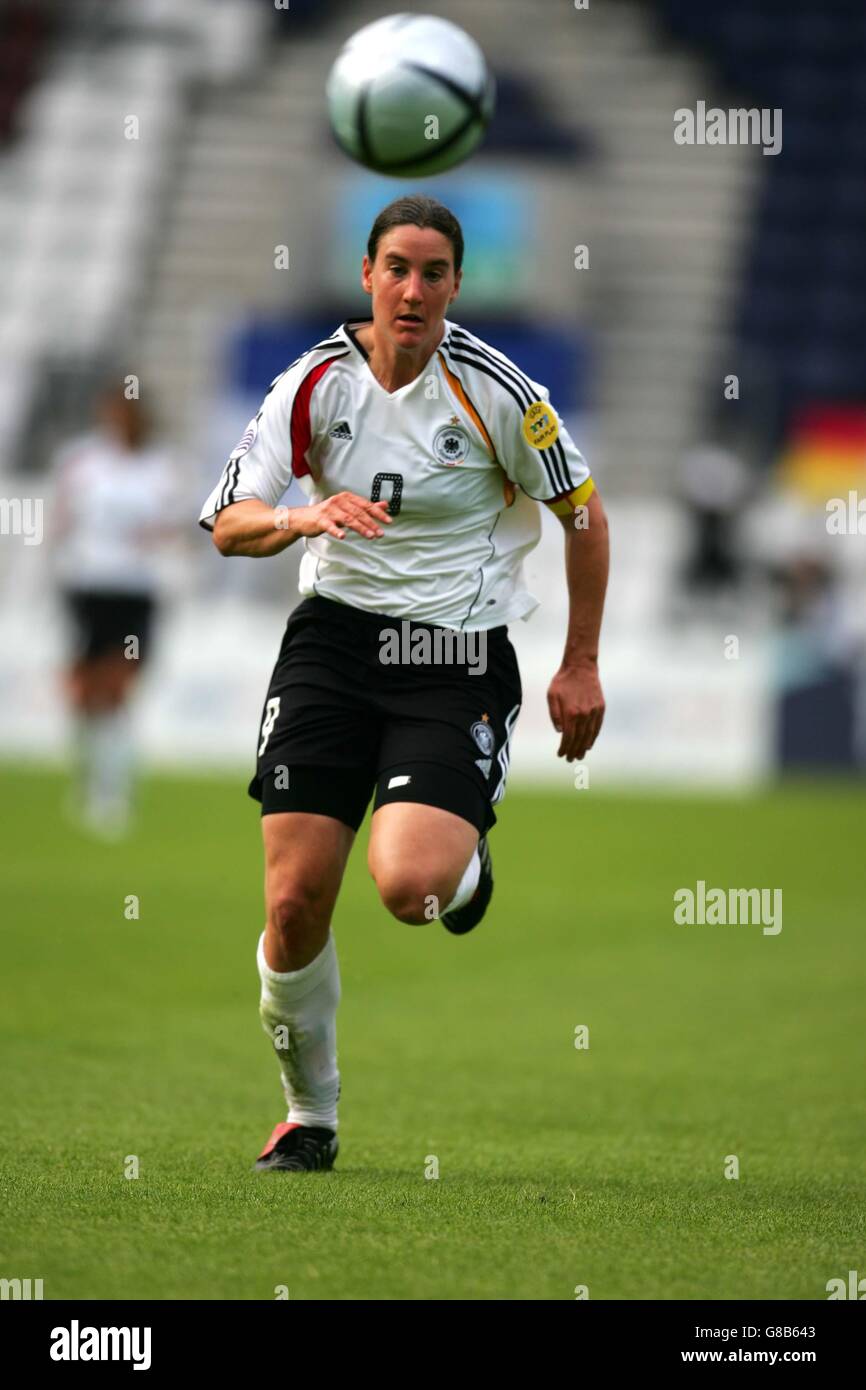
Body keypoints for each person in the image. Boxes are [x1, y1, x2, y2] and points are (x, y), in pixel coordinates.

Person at [199, 194, 609, 1173]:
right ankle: (310, 1116)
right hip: (331, 651)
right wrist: (302, 518)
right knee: (294, 899)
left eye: (433, 272)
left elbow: (585, 518)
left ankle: (464, 867)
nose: (413, 289)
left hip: (453, 656)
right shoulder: (308, 385)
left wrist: (581, 661)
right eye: (396, 267)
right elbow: (226, 522)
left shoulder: (499, 393)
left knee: (411, 888)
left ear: (456, 285)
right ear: (366, 275)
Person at [53, 387, 175, 837]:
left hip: (133, 591)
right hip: (89, 587)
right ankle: (90, 779)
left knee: (119, 687)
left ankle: (114, 791)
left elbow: (168, 523)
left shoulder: (158, 466)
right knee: (84, 693)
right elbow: (62, 518)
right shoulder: (83, 460)